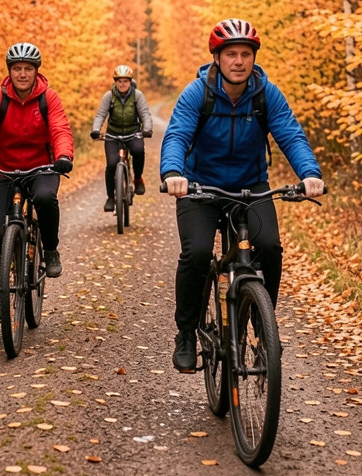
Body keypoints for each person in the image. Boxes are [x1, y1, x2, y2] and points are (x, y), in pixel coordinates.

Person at [160, 19, 325, 371]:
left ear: (253, 58)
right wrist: (174, 173)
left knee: (270, 248)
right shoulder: (197, 93)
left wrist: (310, 173)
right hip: (200, 188)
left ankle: (264, 324)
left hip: (252, 187)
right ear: (217, 58)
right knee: (198, 252)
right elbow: (177, 135)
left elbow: (291, 136)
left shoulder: (266, 94)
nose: (239, 61)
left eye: (245, 54)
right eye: (231, 54)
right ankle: (186, 333)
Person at [0, 43, 74, 324]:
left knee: (46, 198)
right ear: (9, 71)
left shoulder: (49, 98)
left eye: (27, 69)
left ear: (36, 71)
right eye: (17, 69)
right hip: (4, 168)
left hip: (42, 167)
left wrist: (63, 156)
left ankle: (50, 249)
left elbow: (60, 129)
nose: (22, 74)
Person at [90, 64, 153, 211]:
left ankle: (137, 178)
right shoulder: (109, 96)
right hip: (113, 134)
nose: (122, 84)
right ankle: (111, 198)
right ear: (115, 82)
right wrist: (96, 129)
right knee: (112, 164)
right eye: (119, 81)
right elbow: (101, 115)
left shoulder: (137, 95)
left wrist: (147, 129)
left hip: (133, 133)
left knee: (138, 150)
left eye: (125, 81)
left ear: (130, 82)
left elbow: (145, 114)